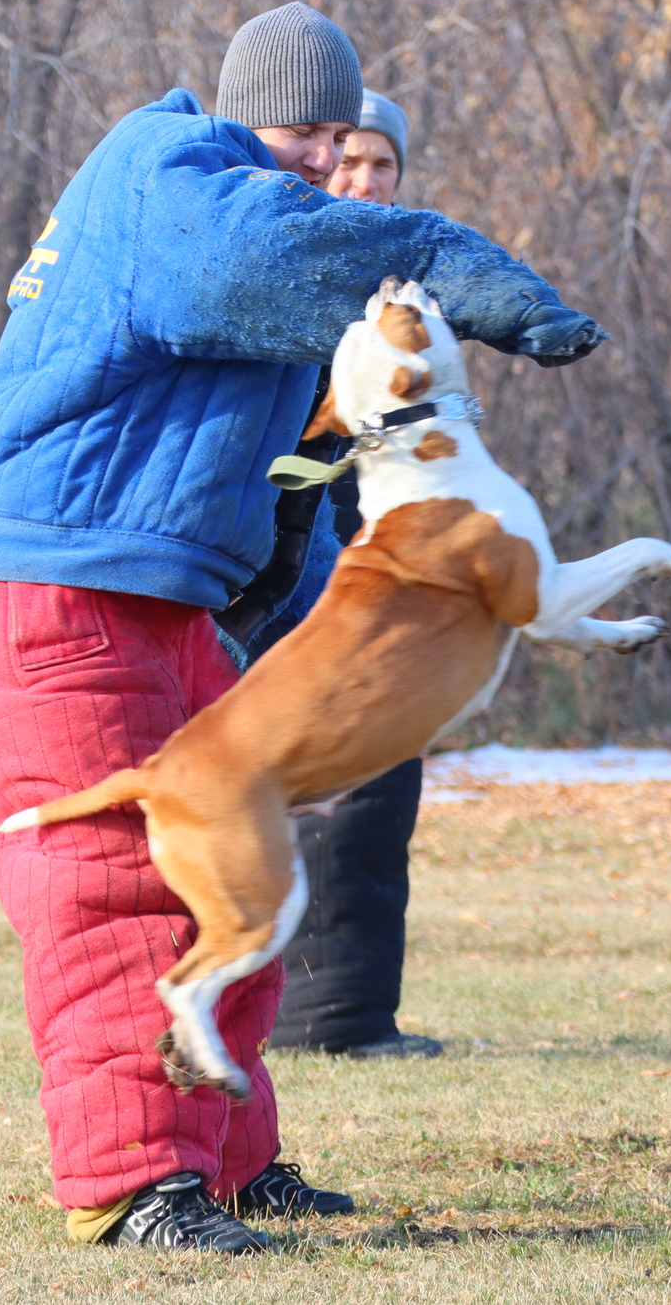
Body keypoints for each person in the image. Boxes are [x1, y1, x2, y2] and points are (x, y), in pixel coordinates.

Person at [0, 4, 604, 1255]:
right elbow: (247, 267)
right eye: (297, 132)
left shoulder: (253, 225)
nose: (316, 160)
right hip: (49, 591)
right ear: (241, 113)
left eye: (334, 135)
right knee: (116, 886)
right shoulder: (169, 174)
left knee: (228, 876)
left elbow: (283, 500)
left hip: (157, 592)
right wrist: (469, 277)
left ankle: (233, 1166)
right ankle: (133, 1186)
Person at [249, 90, 442, 1062]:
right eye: (343, 155)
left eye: (379, 164)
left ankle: (344, 1016)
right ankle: (319, 1021)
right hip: (291, 547)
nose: (358, 177)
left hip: (380, 540)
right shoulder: (280, 262)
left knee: (376, 773)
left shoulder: (405, 292)